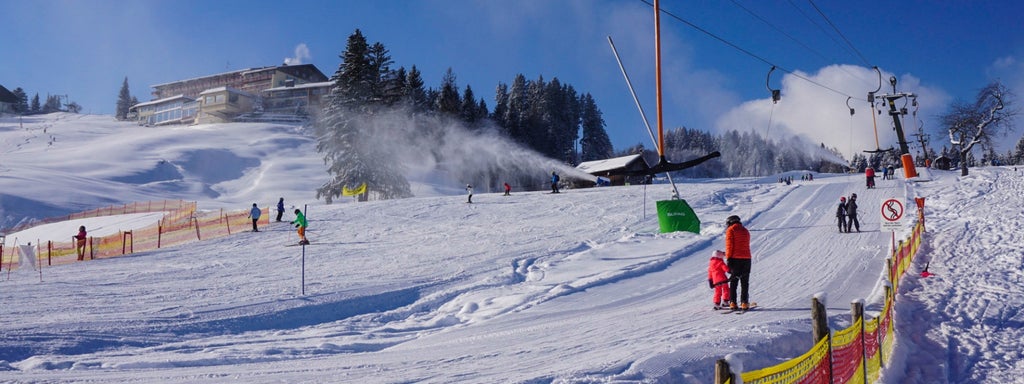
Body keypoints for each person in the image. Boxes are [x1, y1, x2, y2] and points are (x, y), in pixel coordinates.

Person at [724, 215, 752, 311]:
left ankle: (733, 302)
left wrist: (728, 258)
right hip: (747, 259)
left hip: (735, 259)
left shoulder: (731, 230)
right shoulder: (745, 230)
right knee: (745, 282)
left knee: (734, 281)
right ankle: (744, 302)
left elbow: (729, 246)